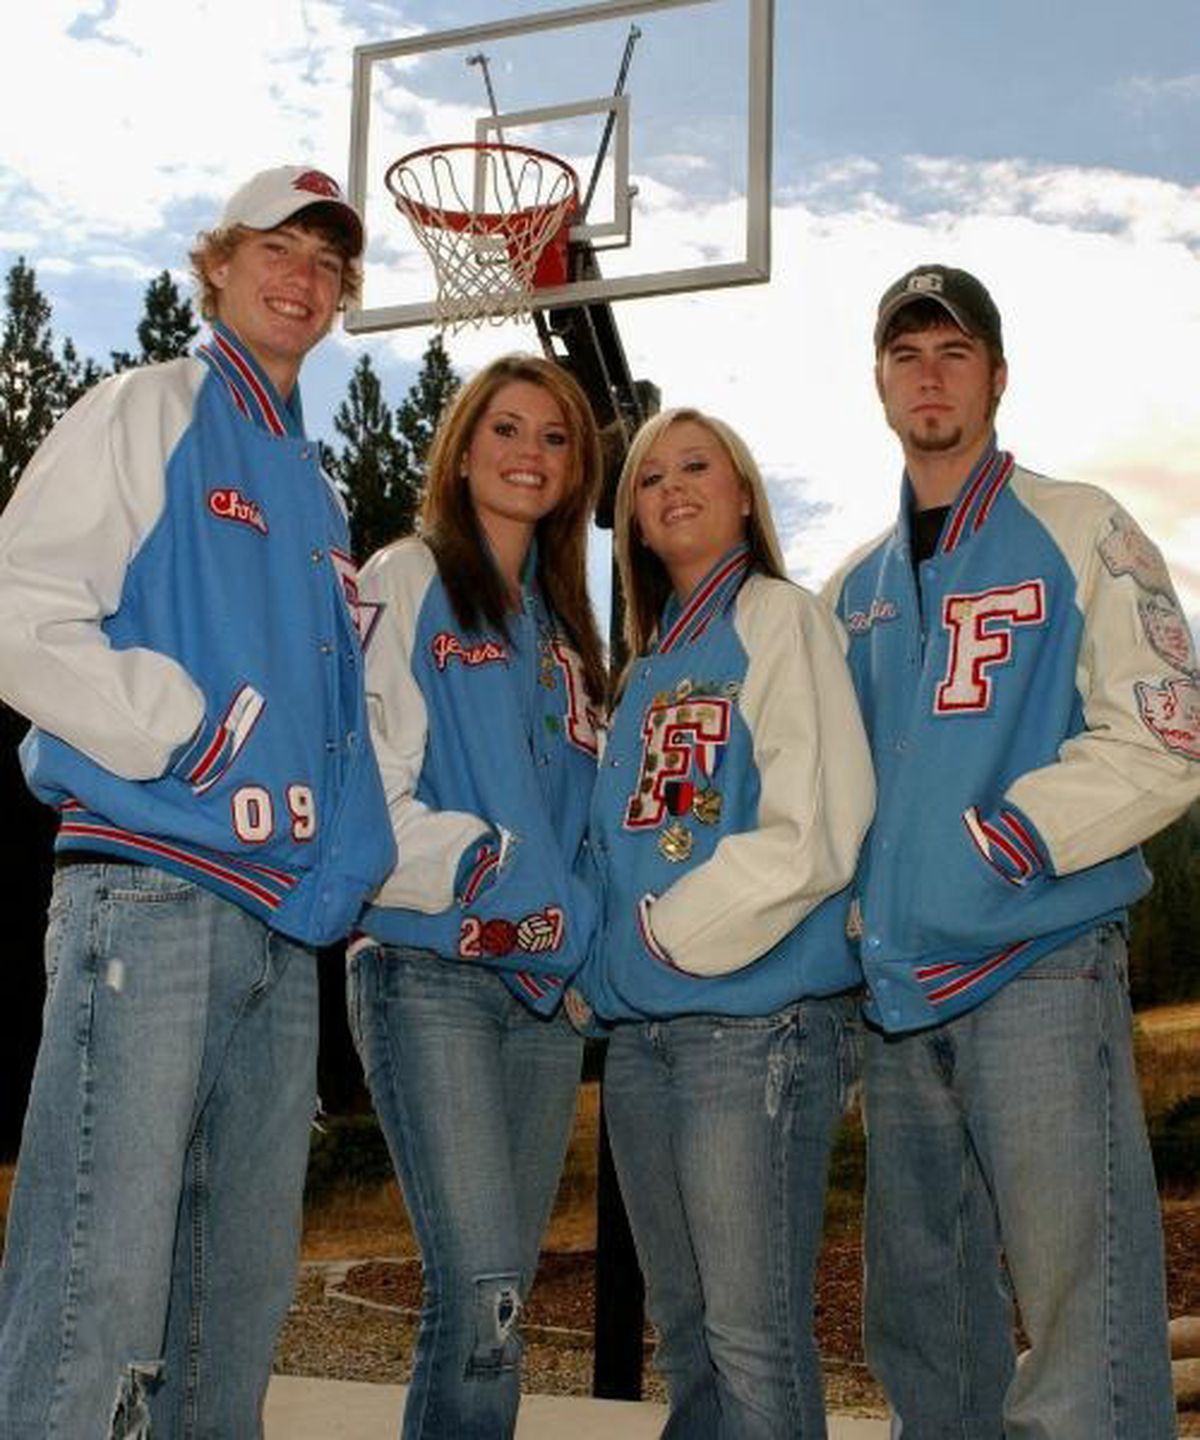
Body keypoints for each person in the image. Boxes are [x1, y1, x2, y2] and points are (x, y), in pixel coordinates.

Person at [0, 165, 395, 1437]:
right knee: (96, 1286)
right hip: (154, 891)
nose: (303, 278)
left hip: (279, 927)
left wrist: (343, 864)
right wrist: (174, 732)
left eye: (328, 265)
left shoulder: (314, 486)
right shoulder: (147, 408)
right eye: (277, 249)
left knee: (232, 1309)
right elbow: (20, 609)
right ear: (216, 264)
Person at [823, 263, 1200, 1438]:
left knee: (1079, 1304)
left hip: (1039, 965)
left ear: (996, 375)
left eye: (953, 352)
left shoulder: (1081, 524)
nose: (929, 375)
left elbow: (1167, 731)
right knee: (922, 1314)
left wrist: (1011, 840)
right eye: (906, 354)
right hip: (898, 996)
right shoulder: (848, 591)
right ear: (880, 384)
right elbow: (820, 801)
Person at [573, 408, 875, 1438]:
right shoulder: (647, 668)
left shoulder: (777, 620)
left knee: (751, 1335)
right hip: (644, 1041)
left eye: (698, 466)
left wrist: (668, 934)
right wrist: (599, 965)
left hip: (752, 1029)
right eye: (650, 482)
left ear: (744, 493)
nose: (673, 487)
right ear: (638, 528)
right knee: (689, 1330)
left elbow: (821, 825)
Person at [348, 353, 605, 1439]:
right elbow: (363, 786)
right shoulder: (404, 576)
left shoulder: (567, 639)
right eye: (506, 429)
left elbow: (588, 822)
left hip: (540, 1003)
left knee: (500, 1296)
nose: (529, 455)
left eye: (553, 439)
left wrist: (584, 947)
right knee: (484, 1288)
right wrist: (491, 866)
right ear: (460, 449)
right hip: (429, 970)